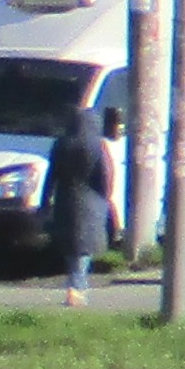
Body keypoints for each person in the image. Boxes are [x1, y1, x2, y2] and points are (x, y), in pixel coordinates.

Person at [48, 87, 122, 309]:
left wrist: (47, 200)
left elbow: (52, 175)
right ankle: (77, 288)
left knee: (72, 247)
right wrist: (105, 196)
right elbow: (106, 175)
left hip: (66, 199)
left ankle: (75, 285)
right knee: (84, 248)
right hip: (92, 201)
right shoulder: (97, 145)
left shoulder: (62, 143)